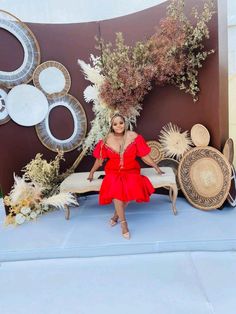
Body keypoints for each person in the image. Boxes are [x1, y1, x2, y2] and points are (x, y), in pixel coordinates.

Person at [87, 113, 164, 239]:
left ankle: (116, 216)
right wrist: (91, 172)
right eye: (115, 124)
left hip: (131, 170)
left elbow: (144, 155)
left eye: (121, 123)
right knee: (117, 188)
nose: (118, 126)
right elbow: (99, 160)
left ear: (125, 123)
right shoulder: (106, 140)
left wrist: (156, 167)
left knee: (133, 185)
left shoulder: (134, 137)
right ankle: (124, 224)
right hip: (113, 171)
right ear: (111, 126)